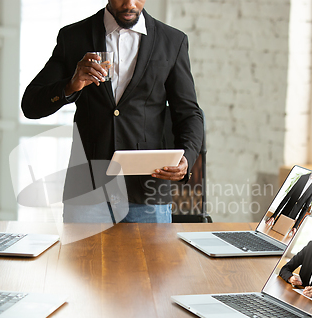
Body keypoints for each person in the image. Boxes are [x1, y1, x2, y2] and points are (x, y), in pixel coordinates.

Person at [21, 0, 204, 223]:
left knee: (152, 260)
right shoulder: (73, 37)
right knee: (81, 260)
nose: (129, 3)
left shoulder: (172, 41)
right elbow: (30, 105)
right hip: (87, 191)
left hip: (147, 191)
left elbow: (189, 113)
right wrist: (71, 85)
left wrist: (187, 156)